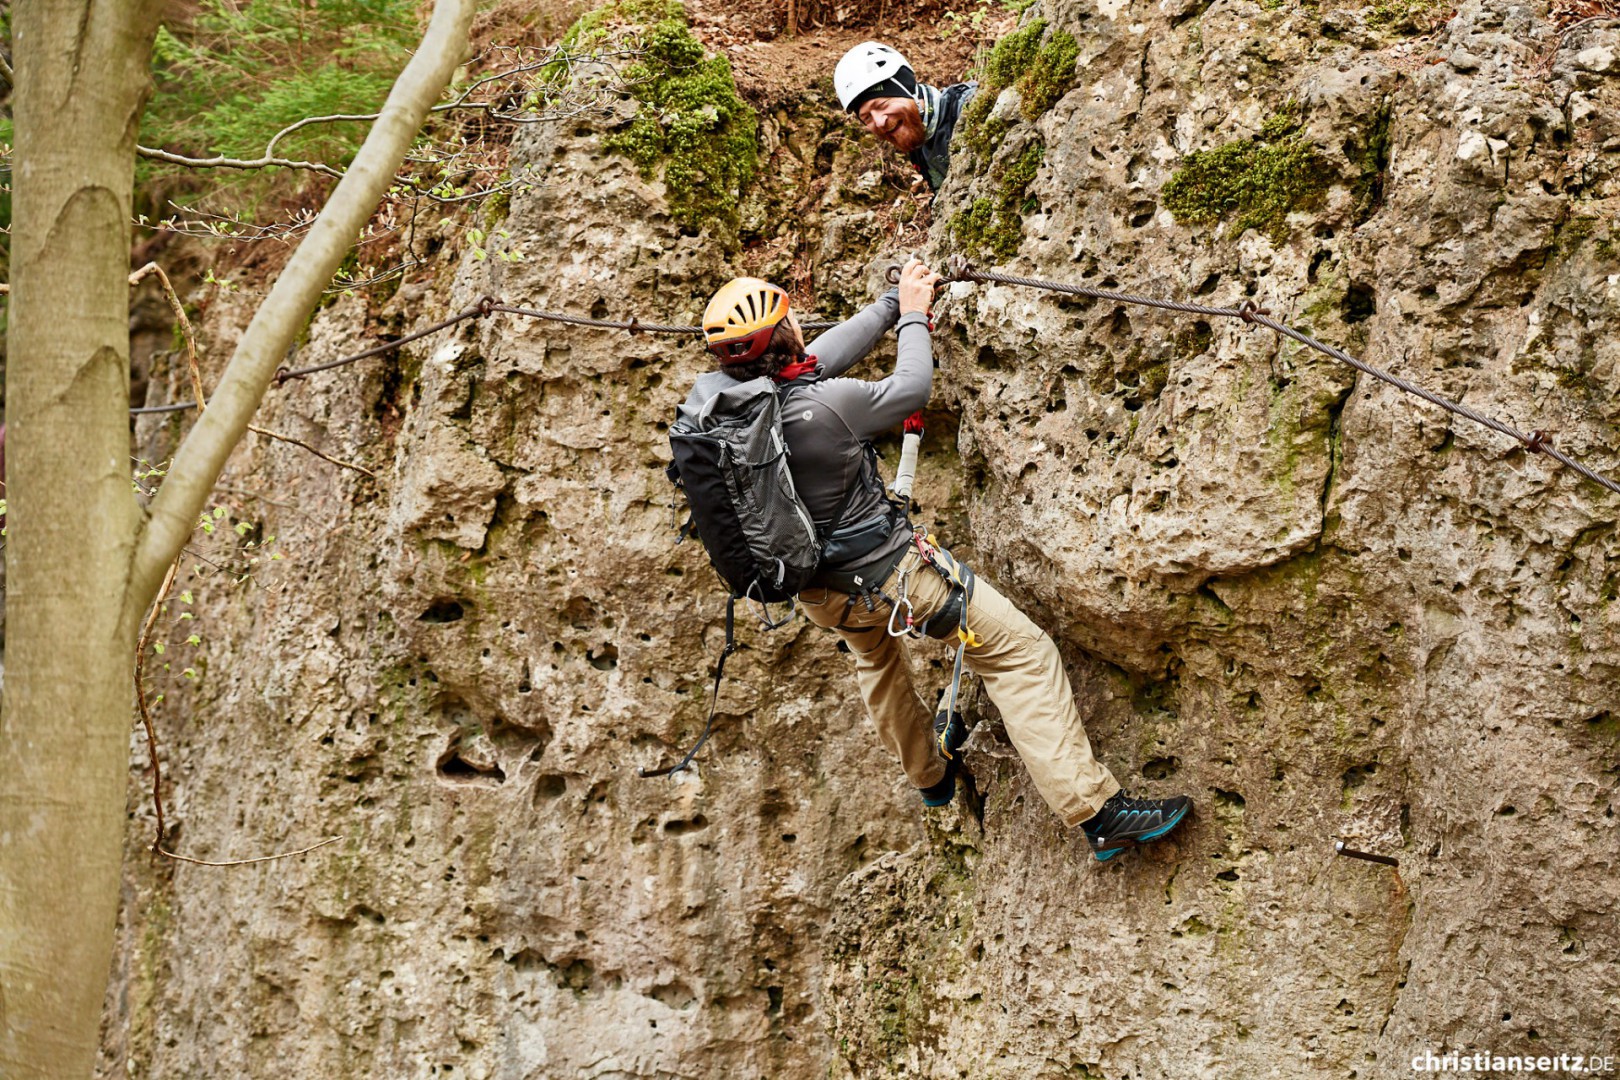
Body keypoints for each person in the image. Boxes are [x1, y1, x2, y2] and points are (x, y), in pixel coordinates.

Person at [683, 263, 1193, 861]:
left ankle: (930, 776)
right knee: (1021, 654)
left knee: (875, 661)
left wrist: (891, 303)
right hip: (897, 582)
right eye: (792, 320)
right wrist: (914, 318)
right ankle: (1097, 813)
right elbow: (910, 389)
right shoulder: (828, 405)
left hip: (820, 594)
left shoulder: (730, 409)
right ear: (782, 336)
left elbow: (819, 357)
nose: (801, 325)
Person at [834, 42, 976, 193]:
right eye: (867, 117)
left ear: (909, 91)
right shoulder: (919, 146)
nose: (879, 122)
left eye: (882, 105)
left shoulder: (968, 107)